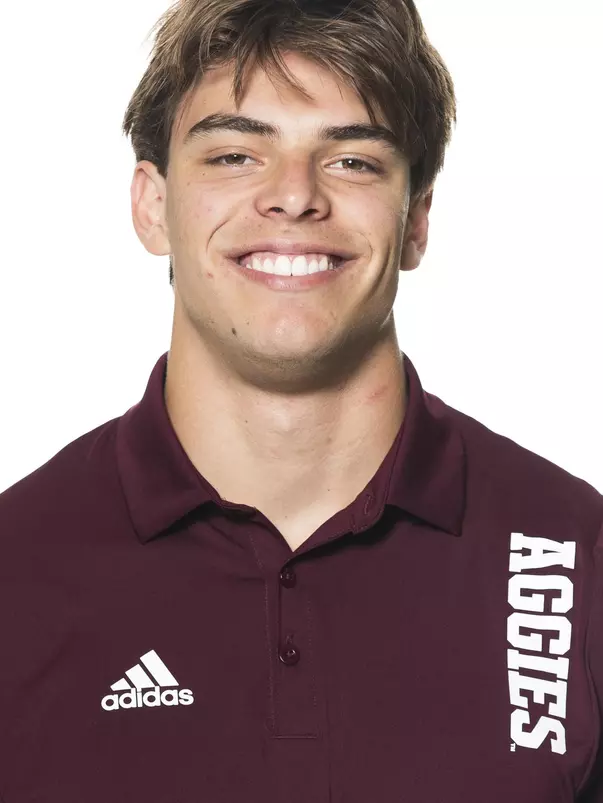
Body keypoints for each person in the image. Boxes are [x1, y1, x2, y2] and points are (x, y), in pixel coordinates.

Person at [0, 0, 602, 800]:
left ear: (416, 218)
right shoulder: (16, 571)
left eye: (352, 161)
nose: (293, 197)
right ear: (152, 205)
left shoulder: (576, 556)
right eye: (233, 155)